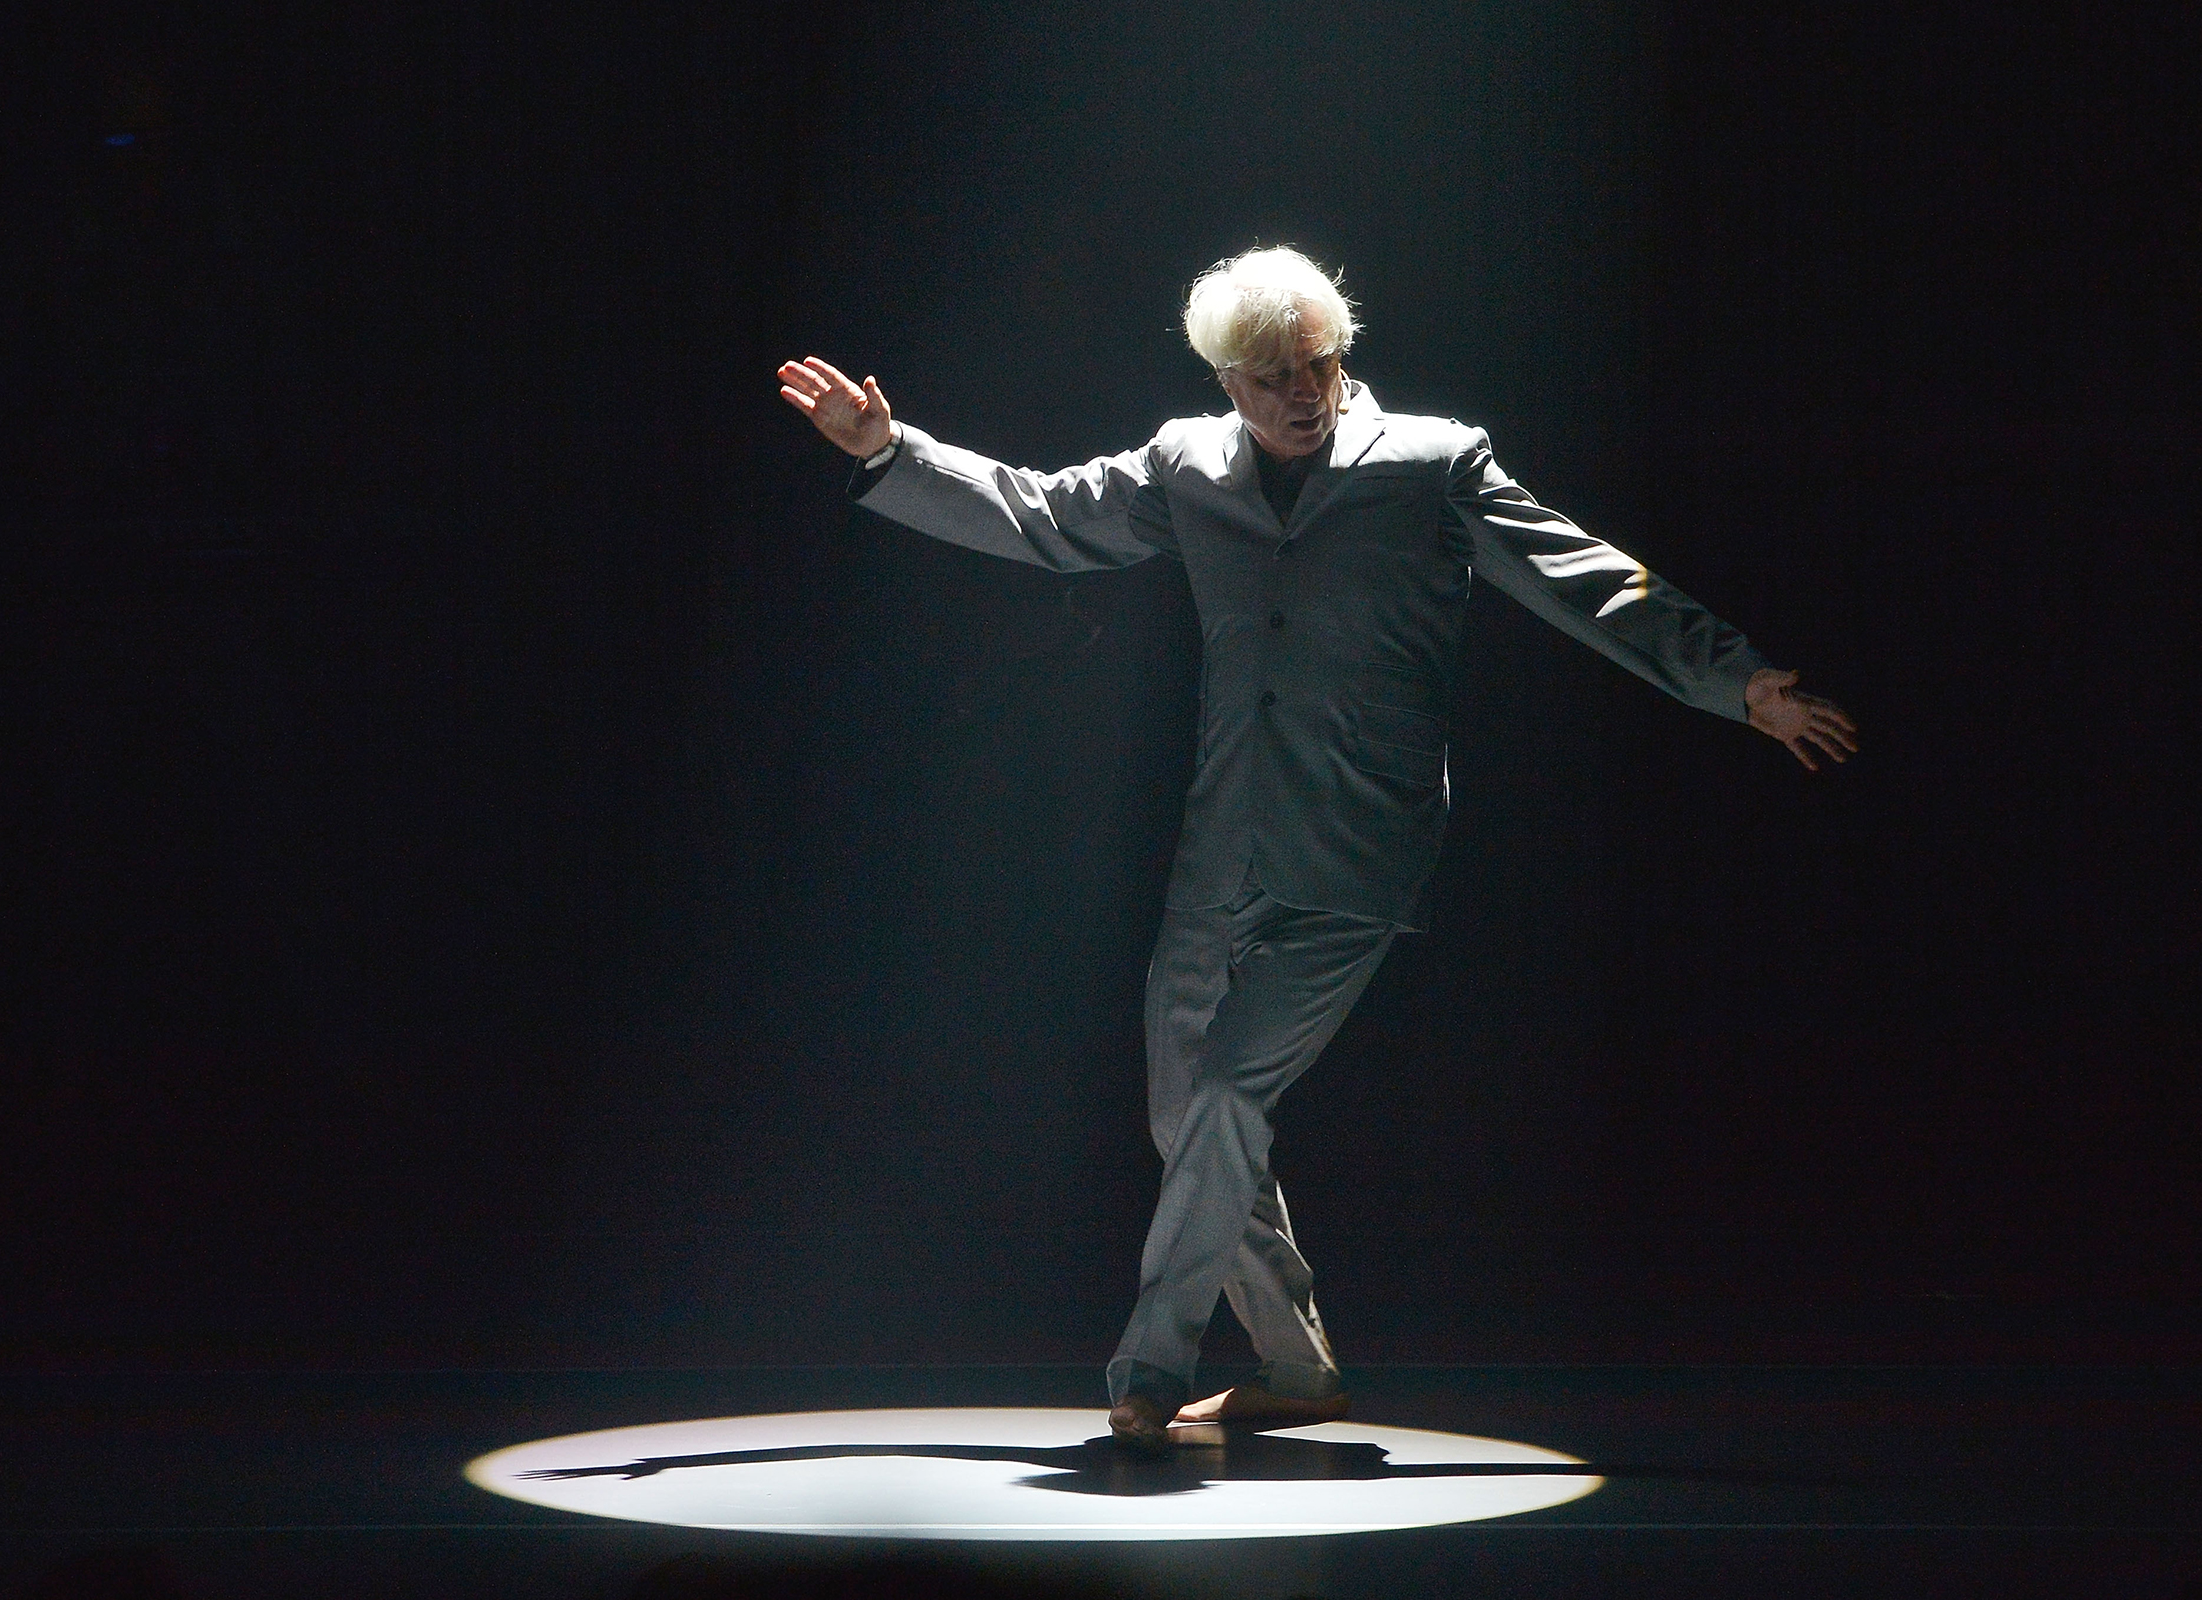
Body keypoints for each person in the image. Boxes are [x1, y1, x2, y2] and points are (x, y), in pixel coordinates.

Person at [776, 246, 1855, 1452]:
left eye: (1319, 365)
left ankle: (1146, 1365)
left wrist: (1738, 680)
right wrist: (888, 451)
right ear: (1226, 382)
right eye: (1270, 376)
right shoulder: (1186, 466)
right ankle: (1296, 1366)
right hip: (1220, 845)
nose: (1301, 392)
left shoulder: (1434, 464)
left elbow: (1589, 580)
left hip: (1357, 850)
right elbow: (1042, 515)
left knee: (1233, 1093)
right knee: (1188, 1119)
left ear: (1343, 356)